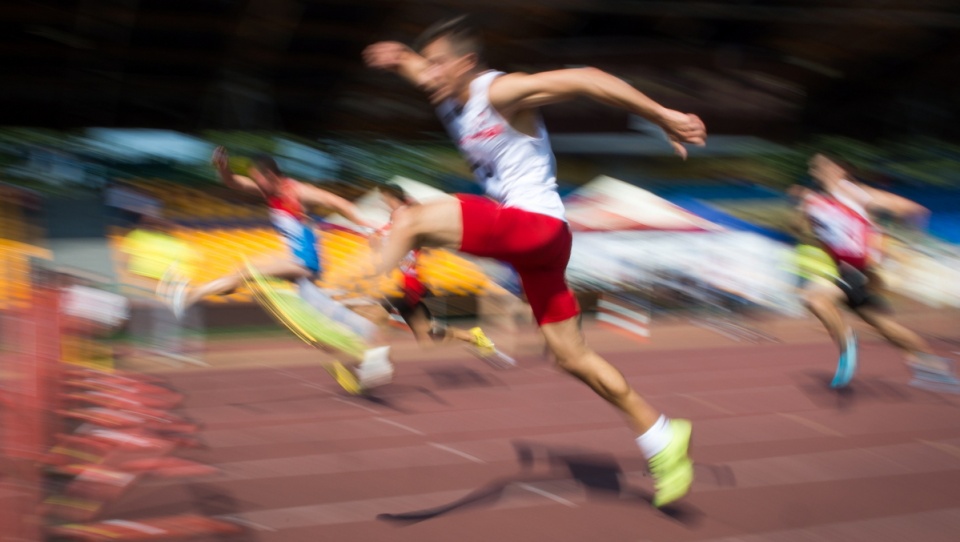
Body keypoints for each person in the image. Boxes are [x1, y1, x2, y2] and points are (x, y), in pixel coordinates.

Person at [363, 16, 706, 507]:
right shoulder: (444, 88)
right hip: (536, 248)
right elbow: (419, 69)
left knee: (412, 221)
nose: (429, 77)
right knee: (570, 356)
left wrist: (661, 116)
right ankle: (661, 435)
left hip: (535, 226)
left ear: (464, 65)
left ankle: (355, 291)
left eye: (438, 66)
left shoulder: (501, 92)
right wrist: (399, 57)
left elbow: (587, 78)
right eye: (428, 69)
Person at [163, 147, 394, 388]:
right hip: (296, 267)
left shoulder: (297, 191)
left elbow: (336, 202)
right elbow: (234, 183)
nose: (256, 183)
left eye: (258, 178)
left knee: (247, 271)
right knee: (319, 323)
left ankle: (189, 294)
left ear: (271, 175)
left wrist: (366, 226)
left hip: (303, 262)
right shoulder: (268, 191)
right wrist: (223, 168)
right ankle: (371, 360)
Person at [793, 153, 957, 388]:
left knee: (814, 299)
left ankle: (848, 343)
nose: (815, 169)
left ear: (840, 170)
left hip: (863, 270)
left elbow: (911, 209)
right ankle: (934, 366)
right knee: (881, 324)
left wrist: (906, 241)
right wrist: (804, 216)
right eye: (814, 166)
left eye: (822, 165)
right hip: (847, 270)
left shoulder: (852, 192)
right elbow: (807, 233)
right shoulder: (816, 202)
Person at [374, 182, 514, 367]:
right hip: (401, 283)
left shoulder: (409, 219)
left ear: (394, 198)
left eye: (386, 199)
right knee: (427, 342)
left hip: (403, 284)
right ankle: (472, 336)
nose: (385, 204)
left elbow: (406, 243)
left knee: (374, 316)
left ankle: (375, 362)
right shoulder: (394, 224)